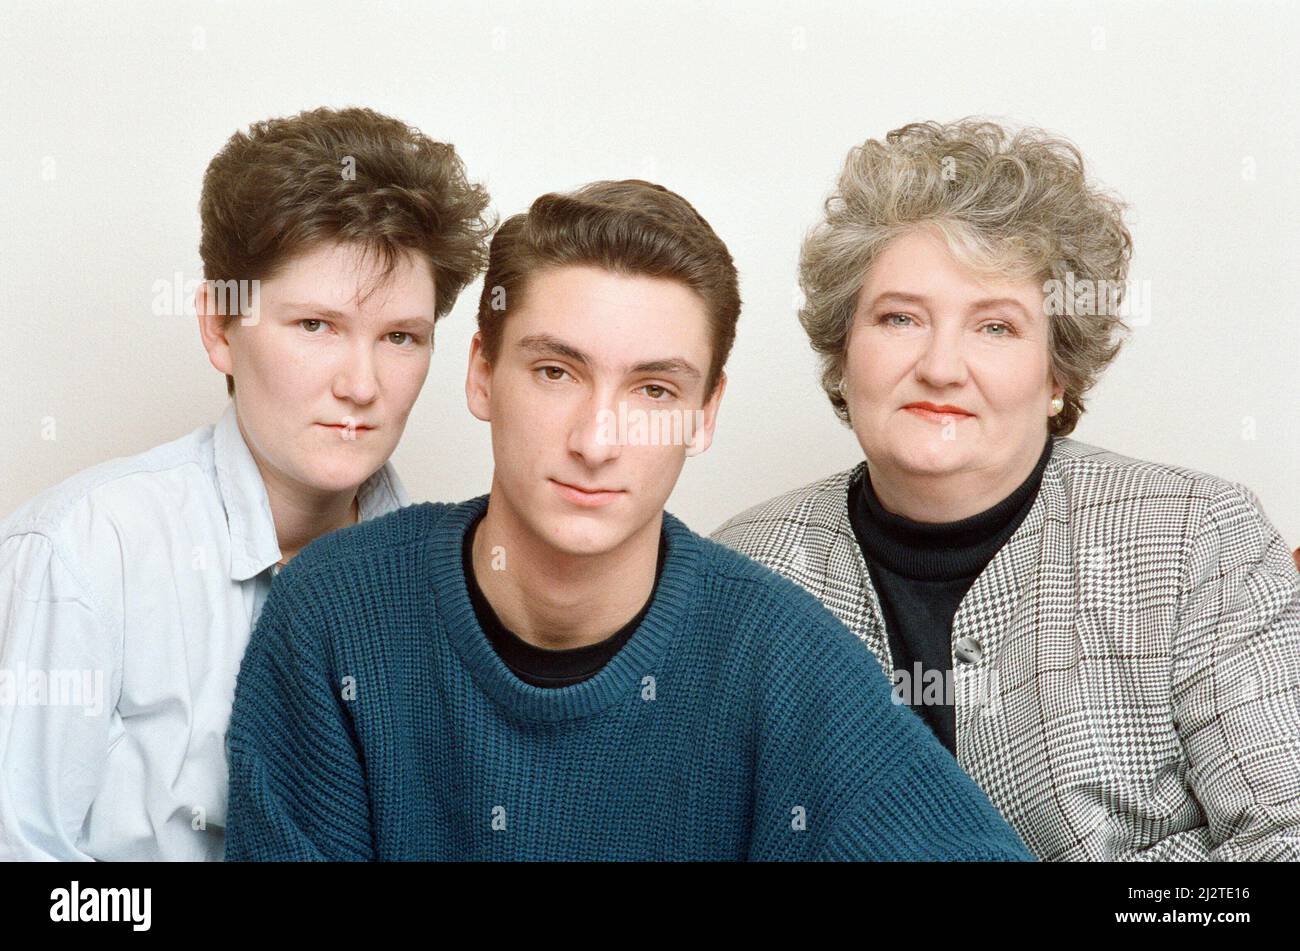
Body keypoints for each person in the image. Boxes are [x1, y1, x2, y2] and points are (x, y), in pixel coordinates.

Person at [224, 179, 1032, 862]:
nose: (596, 440)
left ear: (704, 414)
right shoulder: (334, 614)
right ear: (481, 373)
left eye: (654, 390)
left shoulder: (783, 657)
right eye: (554, 371)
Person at [712, 119, 1300, 861]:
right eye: (900, 318)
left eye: (995, 327)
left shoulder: (1199, 537)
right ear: (843, 352)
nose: (941, 366)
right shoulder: (740, 571)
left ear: (1057, 376)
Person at [0, 106, 492, 860]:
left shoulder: (458, 568)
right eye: (315, 326)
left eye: (400, 337)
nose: (361, 385)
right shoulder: (83, 553)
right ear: (219, 329)